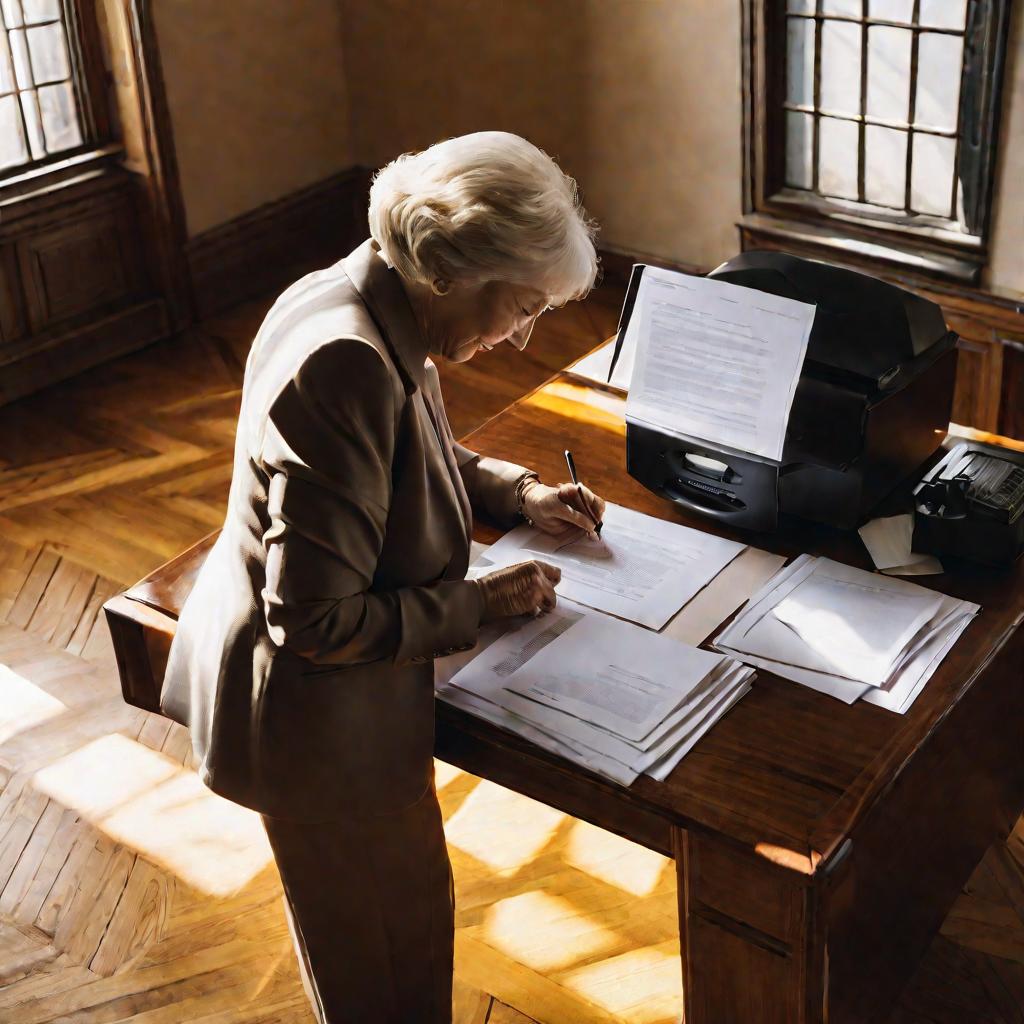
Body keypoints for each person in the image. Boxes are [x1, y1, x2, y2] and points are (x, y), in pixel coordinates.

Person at [159, 130, 606, 1023]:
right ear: (451, 268)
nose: (520, 338)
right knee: (383, 972)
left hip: (335, 710)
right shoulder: (348, 361)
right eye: (519, 308)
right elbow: (316, 621)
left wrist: (515, 492)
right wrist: (479, 601)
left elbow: (405, 455)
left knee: (396, 941)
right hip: (319, 728)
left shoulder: (364, 296)